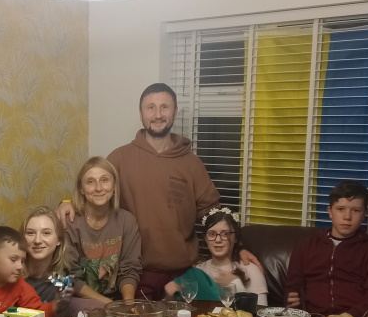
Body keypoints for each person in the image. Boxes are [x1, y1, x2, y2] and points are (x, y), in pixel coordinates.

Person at [58, 83, 259, 299]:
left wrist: (238, 248)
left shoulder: (191, 164)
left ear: (175, 112)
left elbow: (215, 215)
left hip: (184, 273)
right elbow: (96, 188)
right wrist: (67, 202)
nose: (158, 114)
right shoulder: (120, 158)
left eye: (165, 107)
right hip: (135, 274)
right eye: (150, 108)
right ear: (141, 114)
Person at [284, 180, 368, 317]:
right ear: (330, 212)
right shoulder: (306, 245)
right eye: (340, 209)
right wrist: (292, 300)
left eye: (355, 210)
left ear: (364, 214)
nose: (347, 217)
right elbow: (293, 285)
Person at [65, 157, 142, 303]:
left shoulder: (127, 221)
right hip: (78, 303)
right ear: (81, 188)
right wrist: (109, 305)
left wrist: (128, 305)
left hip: (116, 300)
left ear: (114, 186)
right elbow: (69, 278)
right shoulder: (71, 223)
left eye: (104, 180)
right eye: (90, 182)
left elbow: (130, 268)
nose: (98, 188)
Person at [164, 207, 268, 305]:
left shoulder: (251, 270)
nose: (218, 240)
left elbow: (261, 315)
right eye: (212, 234)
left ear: (235, 237)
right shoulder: (199, 271)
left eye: (225, 234)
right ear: (205, 238)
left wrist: (234, 286)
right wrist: (171, 297)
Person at [20, 206, 76, 302]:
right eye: (30, 233)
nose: (37, 240)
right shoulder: (11, 275)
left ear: (59, 240)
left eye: (46, 233)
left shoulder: (62, 278)